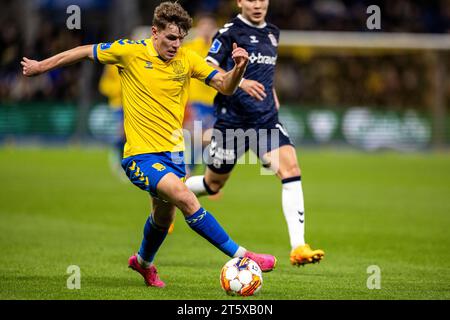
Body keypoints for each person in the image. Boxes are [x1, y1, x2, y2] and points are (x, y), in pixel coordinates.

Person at [21, 1, 276, 288]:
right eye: (170, 38)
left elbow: (225, 86)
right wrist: (41, 66)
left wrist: (239, 68)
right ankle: (245, 256)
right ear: (154, 32)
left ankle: (143, 263)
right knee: (185, 197)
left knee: (162, 217)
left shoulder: (188, 59)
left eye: (180, 39)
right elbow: (83, 51)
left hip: (174, 156)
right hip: (140, 157)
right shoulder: (129, 52)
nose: (176, 44)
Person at [185, 0, 325, 266]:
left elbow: (266, 72)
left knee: (291, 169)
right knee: (212, 184)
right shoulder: (228, 33)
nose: (258, 4)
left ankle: (298, 247)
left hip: (265, 120)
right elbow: (207, 69)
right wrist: (241, 81)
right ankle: (171, 193)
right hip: (231, 122)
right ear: (240, 2)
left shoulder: (273, 32)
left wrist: (270, 92)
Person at [183, 14, 218, 175]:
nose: (206, 30)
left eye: (209, 27)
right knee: (199, 139)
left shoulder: (217, 50)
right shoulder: (190, 48)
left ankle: (205, 176)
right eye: (203, 26)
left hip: (214, 103)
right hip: (195, 102)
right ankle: (189, 171)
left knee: (210, 140)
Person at [98, 64, 126, 178]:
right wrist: (118, 89)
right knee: (122, 133)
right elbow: (103, 85)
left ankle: (124, 162)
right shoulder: (111, 63)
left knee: (129, 135)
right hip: (118, 104)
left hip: (133, 103)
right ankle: (117, 159)